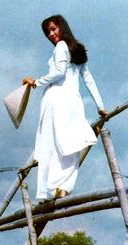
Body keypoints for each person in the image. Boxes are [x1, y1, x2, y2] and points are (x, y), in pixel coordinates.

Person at [23, 15, 107, 201]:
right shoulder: (77, 50)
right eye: (48, 32)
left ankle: (50, 191)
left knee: (51, 144)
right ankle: (62, 187)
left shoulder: (61, 47)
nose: (51, 34)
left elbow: (58, 73)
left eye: (54, 29)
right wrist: (100, 106)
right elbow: (88, 80)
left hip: (56, 98)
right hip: (72, 101)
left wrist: (36, 82)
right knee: (70, 144)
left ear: (63, 27)